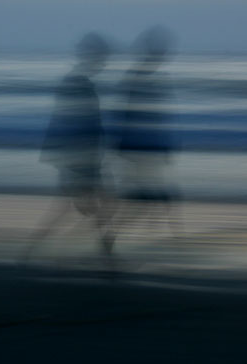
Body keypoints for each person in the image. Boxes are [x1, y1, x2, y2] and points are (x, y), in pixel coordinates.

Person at [22, 32, 114, 263]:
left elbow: (69, 124)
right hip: (81, 159)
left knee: (80, 207)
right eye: (102, 56)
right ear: (91, 56)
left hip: (82, 158)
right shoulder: (77, 83)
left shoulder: (77, 82)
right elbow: (71, 125)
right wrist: (75, 165)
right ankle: (106, 258)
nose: (104, 62)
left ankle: (30, 254)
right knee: (97, 205)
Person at [111, 25, 181, 240]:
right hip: (140, 151)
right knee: (152, 198)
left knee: (153, 198)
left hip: (146, 150)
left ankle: (163, 238)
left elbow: (150, 117)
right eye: (161, 50)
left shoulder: (146, 77)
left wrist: (164, 146)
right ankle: (112, 239)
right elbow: (130, 115)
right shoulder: (140, 78)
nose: (164, 55)